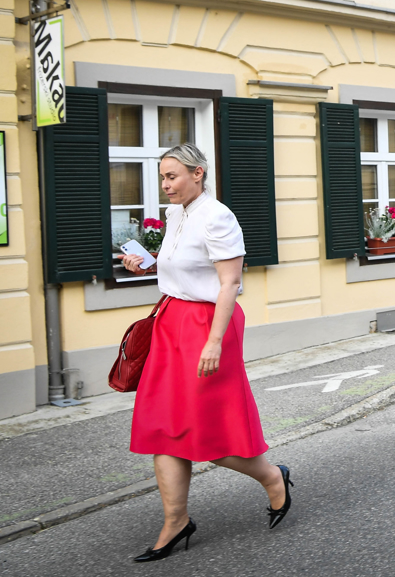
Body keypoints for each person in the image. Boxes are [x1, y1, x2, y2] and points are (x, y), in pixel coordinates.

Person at [120, 143, 293, 563]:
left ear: (197, 173)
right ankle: (175, 521)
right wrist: (150, 264)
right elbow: (184, 264)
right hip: (170, 323)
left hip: (207, 325)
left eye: (172, 176)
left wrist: (213, 341)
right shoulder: (175, 214)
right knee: (163, 425)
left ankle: (273, 477)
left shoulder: (218, 216)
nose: (165, 185)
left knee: (208, 430)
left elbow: (228, 283)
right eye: (162, 177)